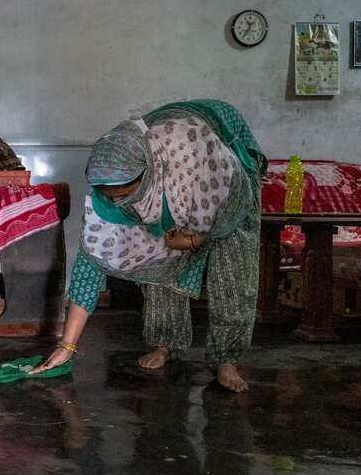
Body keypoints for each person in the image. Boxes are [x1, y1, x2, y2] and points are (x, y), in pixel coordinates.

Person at [31, 99, 267, 392]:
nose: (118, 202)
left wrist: (194, 238)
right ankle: (166, 343)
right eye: (111, 196)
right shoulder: (106, 192)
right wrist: (67, 346)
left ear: (149, 173)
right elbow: (89, 264)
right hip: (172, 184)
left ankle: (227, 359)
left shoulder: (194, 155)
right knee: (154, 259)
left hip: (224, 170)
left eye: (126, 193)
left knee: (232, 266)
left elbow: (232, 206)